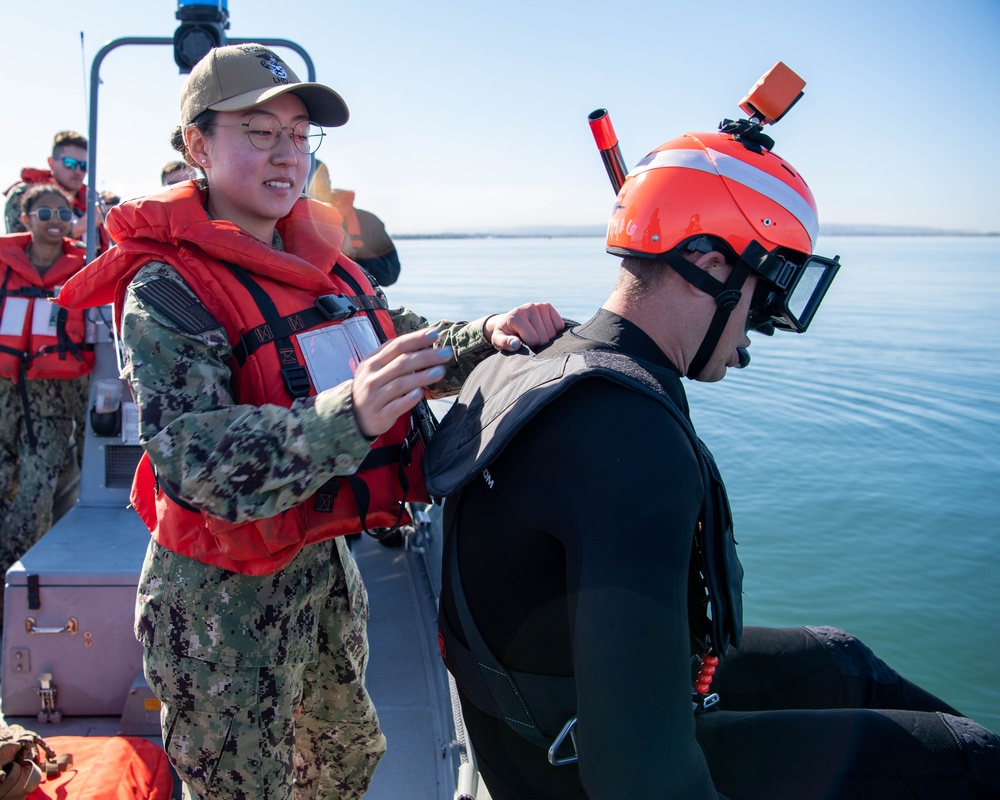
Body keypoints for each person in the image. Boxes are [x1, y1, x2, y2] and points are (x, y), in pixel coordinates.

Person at [424, 108, 1000, 798]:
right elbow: (642, 779)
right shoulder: (628, 439)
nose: (762, 329)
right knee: (971, 761)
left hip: (544, 706)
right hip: (565, 764)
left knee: (844, 661)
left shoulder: (529, 361)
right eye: (767, 292)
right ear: (710, 262)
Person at [55, 42, 563, 800]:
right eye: (260, 133)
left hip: (318, 570)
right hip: (216, 603)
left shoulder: (321, 262)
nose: (287, 155)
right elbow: (193, 462)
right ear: (198, 145)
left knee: (343, 761)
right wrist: (351, 413)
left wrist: (488, 334)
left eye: (299, 135)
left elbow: (398, 341)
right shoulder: (165, 289)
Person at [0, 184, 93, 622]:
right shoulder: (3, 266)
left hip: (53, 398)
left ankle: (16, 580)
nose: (54, 219)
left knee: (36, 491)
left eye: (62, 211)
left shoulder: (86, 265)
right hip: (3, 392)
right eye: (43, 212)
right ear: (24, 219)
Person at [4, 130, 108, 251]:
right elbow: (22, 241)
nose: (78, 171)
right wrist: (78, 227)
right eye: (70, 163)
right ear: (51, 163)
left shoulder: (93, 203)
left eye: (84, 166)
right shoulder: (24, 194)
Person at [309, 159, 402, 286]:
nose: (312, 191)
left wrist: (353, 253)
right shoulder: (276, 222)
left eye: (319, 186)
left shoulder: (366, 222)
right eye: (306, 184)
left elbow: (389, 275)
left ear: (329, 184)